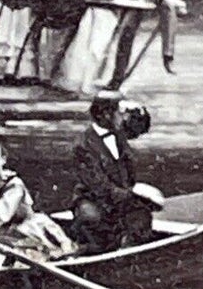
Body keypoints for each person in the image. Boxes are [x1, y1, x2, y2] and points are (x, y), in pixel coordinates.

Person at [67, 93, 163, 253]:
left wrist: (139, 111)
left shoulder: (117, 131)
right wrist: (133, 195)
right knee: (92, 219)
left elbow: (141, 128)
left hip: (121, 195)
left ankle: (132, 256)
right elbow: (98, 185)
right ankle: (97, 255)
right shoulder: (83, 146)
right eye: (120, 113)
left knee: (141, 217)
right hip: (95, 199)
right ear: (106, 114)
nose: (124, 117)